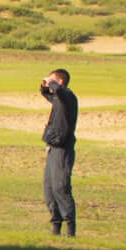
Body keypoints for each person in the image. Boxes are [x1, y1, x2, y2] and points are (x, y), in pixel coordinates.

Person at [40, 67, 78, 237]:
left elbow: (59, 93)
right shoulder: (58, 98)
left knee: (61, 187)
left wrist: (53, 85)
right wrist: (44, 86)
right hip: (52, 147)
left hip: (63, 149)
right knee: (49, 189)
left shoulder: (68, 97)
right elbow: (48, 94)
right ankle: (56, 227)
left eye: (53, 80)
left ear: (61, 82)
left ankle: (70, 230)